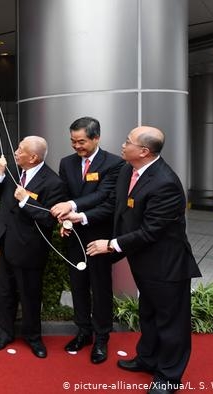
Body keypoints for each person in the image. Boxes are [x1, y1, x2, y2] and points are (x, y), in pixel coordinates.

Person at [84, 126, 201, 394]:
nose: (122, 145)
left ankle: (169, 377)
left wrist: (111, 244)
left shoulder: (166, 184)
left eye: (128, 142)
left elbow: (151, 231)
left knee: (172, 324)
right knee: (148, 314)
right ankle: (148, 359)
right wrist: (79, 216)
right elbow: (118, 208)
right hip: (143, 262)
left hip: (167, 266)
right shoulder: (128, 170)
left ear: (144, 151)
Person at [50, 117, 124, 364]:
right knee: (78, 286)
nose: (76, 146)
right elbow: (63, 195)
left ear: (96, 138)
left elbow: (107, 200)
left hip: (99, 237)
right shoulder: (67, 163)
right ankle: (83, 331)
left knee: (100, 288)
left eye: (81, 141)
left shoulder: (114, 164)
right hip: (74, 237)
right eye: (72, 141)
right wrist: (66, 222)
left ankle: (102, 337)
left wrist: (76, 213)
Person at [0, 136, 66, 358]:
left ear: (33, 157)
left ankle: (33, 337)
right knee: (5, 292)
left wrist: (25, 200)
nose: (15, 152)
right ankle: (4, 334)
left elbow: (50, 219)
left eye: (20, 149)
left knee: (30, 294)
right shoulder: (13, 171)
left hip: (30, 248)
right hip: (7, 241)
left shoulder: (53, 182)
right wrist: (0, 174)